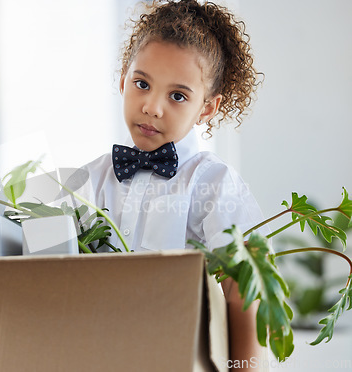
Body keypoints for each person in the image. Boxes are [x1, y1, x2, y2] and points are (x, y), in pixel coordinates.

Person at [69, 0, 268, 370]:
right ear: (122, 80)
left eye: (177, 96)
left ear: (207, 108)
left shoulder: (215, 184)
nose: (152, 107)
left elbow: (242, 292)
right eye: (142, 84)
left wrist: (243, 368)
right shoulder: (86, 182)